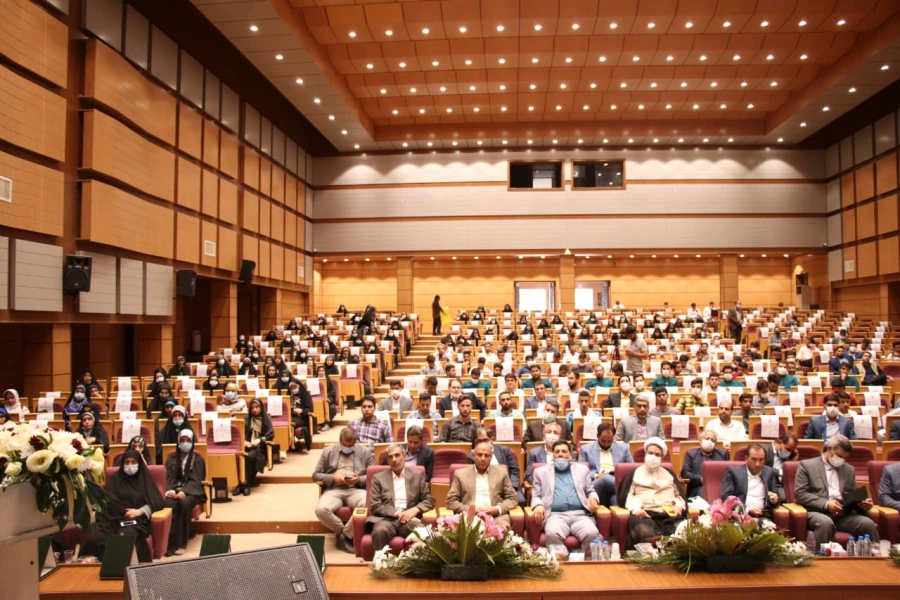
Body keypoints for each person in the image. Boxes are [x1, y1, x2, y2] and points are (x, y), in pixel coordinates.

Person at [80, 449, 164, 563]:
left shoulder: (144, 479)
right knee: (93, 534)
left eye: (133, 462)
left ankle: (118, 568)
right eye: (127, 462)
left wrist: (139, 511)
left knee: (124, 536)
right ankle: (91, 566)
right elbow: (107, 500)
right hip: (112, 519)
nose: (130, 465)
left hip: (134, 521)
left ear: (139, 463)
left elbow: (158, 501)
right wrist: (119, 511)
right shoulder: (116, 478)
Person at [794, 435, 879, 548]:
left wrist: (862, 503)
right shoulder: (807, 465)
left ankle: (873, 561)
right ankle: (822, 561)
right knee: (825, 523)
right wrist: (826, 504)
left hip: (843, 514)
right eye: (839, 456)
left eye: (844, 458)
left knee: (868, 524)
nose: (841, 460)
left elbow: (852, 495)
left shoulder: (849, 469)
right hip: (818, 512)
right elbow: (800, 494)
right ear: (830, 449)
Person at [530, 440, 600, 553]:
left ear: (570, 455)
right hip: (555, 516)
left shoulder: (582, 470)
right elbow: (536, 495)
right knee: (552, 533)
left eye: (564, 451)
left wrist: (593, 498)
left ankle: (586, 564)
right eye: (557, 452)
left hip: (581, 515)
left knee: (591, 533)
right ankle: (560, 565)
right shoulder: (540, 472)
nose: (560, 454)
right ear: (552, 456)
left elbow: (590, 491)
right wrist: (538, 505)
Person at [619, 438, 687, 550]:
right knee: (644, 532)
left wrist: (678, 506)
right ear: (645, 454)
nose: (653, 457)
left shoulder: (670, 474)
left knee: (683, 530)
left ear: (662, 457)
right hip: (645, 514)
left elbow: (679, 495)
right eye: (650, 453)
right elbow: (627, 495)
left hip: (669, 514)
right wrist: (636, 509)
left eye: (657, 454)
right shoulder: (634, 473)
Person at [313, 427, 373, 553]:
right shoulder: (328, 451)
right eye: (345, 445)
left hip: (356, 489)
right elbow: (316, 475)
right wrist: (332, 478)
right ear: (340, 441)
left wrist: (359, 479)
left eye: (351, 446)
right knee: (321, 510)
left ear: (355, 442)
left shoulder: (365, 452)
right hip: (334, 489)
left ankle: (344, 536)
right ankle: (344, 533)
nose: (347, 448)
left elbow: (373, 476)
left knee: (368, 504)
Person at [368, 443, 436, 551]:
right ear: (388, 460)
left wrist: (415, 509)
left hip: (409, 520)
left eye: (397, 455)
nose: (394, 459)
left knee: (422, 531)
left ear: (405, 456)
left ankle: (419, 567)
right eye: (390, 457)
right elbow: (376, 506)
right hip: (387, 520)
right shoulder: (378, 478)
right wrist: (398, 513)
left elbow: (429, 500)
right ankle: (381, 565)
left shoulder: (417, 475)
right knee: (379, 531)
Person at [446, 440, 518, 529]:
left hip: (496, 518)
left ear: (491, 457)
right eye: (479, 455)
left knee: (502, 532)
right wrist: (470, 510)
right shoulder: (460, 474)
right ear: (473, 456)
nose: (483, 458)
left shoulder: (502, 473)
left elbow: (512, 499)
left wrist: (497, 509)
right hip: (468, 517)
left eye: (486, 455)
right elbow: (451, 501)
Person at [163, 429, 207, 556]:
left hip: (193, 493)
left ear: (192, 442)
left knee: (184, 503)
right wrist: (170, 490)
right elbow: (168, 477)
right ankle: (170, 542)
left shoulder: (198, 459)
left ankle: (182, 543)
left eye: (188, 440)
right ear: (178, 442)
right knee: (168, 503)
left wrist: (184, 492)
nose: (185, 443)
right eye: (182, 440)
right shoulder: (171, 458)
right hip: (174, 490)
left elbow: (197, 480)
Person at [721, 444, 781, 526]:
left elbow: (776, 498)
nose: (757, 464)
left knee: (770, 530)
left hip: (762, 517)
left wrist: (775, 499)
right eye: (754, 459)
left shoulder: (769, 472)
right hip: (739, 517)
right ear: (746, 458)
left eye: (761, 460)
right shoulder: (733, 472)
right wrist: (748, 510)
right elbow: (727, 498)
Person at [578, 422, 633, 507]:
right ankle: (628, 493)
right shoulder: (585, 449)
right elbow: (580, 471)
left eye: (609, 441)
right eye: (603, 441)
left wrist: (617, 473)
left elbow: (631, 469)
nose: (606, 444)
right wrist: (596, 475)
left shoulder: (624, 448)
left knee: (615, 498)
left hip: (615, 483)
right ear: (597, 436)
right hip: (595, 485)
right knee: (605, 478)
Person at [467, 427, 524, 506]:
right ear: (475, 442)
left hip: (508, 485)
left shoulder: (505, 450)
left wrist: (511, 487)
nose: (482, 443)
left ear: (491, 440)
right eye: (479, 441)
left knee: (521, 500)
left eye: (485, 440)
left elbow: (515, 470)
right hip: (486, 487)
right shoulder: (472, 457)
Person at [681, 431, 728, 499]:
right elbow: (684, 473)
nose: (709, 441)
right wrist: (700, 479)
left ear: (715, 444)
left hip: (718, 487)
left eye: (713, 440)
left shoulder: (722, 455)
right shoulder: (691, 454)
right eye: (707, 438)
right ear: (700, 441)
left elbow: (728, 472)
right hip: (698, 486)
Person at [241, 398, 274, 493]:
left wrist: (260, 440)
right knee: (243, 455)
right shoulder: (246, 419)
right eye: (252, 408)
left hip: (260, 449)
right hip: (247, 446)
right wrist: (245, 442)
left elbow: (271, 434)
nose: (254, 409)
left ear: (261, 408)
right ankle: (245, 483)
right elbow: (241, 434)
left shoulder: (265, 419)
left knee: (250, 456)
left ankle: (245, 484)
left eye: (257, 407)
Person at [765, 433, 799, 498]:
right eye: (788, 449)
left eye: (791, 451)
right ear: (780, 442)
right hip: (771, 485)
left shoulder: (790, 456)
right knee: (790, 497)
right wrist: (780, 472)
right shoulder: (765, 450)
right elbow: (762, 468)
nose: (789, 453)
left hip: (785, 485)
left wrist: (793, 462)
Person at [290, 379, 315, 452]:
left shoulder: (305, 395)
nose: (293, 389)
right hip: (291, 416)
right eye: (291, 388)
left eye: (294, 387)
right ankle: (292, 440)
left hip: (302, 417)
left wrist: (301, 410)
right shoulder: (288, 396)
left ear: (299, 386)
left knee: (290, 421)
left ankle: (293, 440)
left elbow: (310, 409)